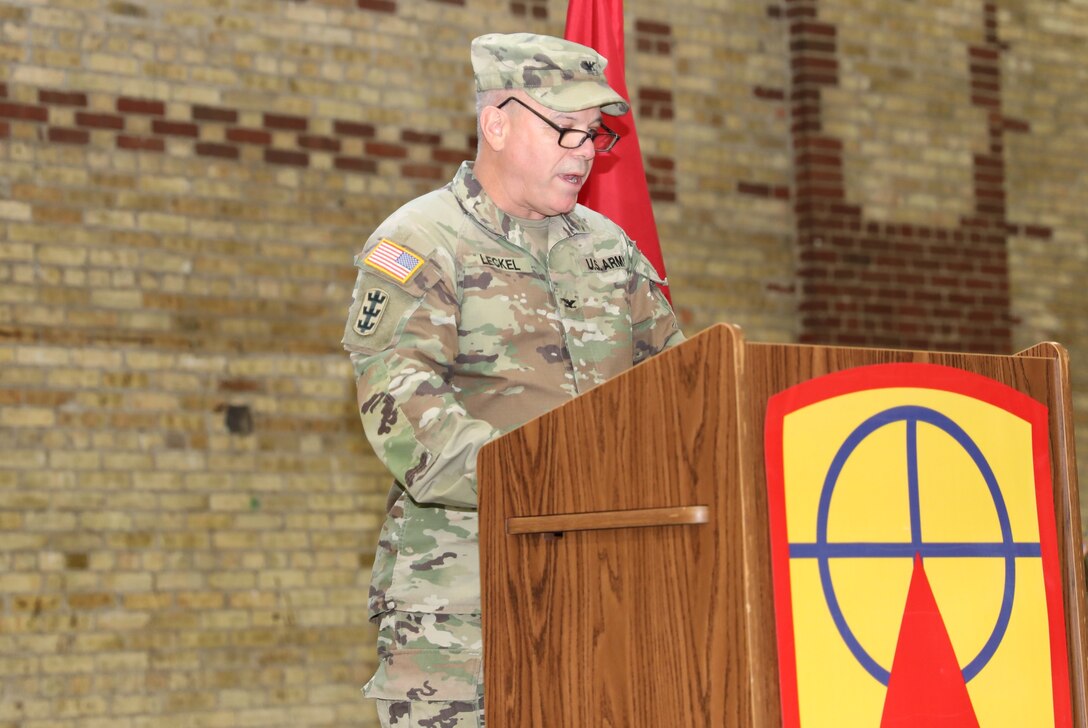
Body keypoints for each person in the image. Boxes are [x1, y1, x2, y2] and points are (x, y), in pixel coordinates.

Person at [341, 32, 685, 727]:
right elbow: (404, 417)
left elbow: (681, 396)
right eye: (565, 129)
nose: (585, 151)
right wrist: (551, 478)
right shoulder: (419, 243)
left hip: (611, 598)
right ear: (496, 123)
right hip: (465, 617)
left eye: (595, 134)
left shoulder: (610, 252)